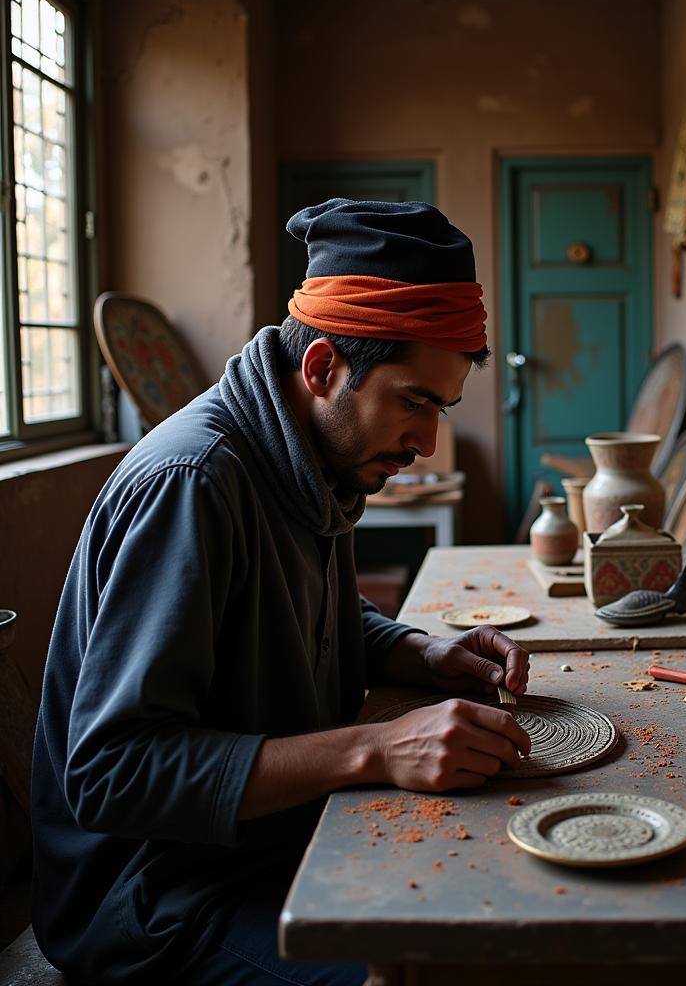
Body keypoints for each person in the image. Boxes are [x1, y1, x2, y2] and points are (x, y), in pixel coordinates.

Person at [31, 199, 532, 986]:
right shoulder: (194, 483)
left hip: (264, 841)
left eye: (441, 408)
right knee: (432, 972)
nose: (426, 444)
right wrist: (374, 746)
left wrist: (419, 651)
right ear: (323, 367)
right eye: (414, 402)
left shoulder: (311, 455)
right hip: (158, 896)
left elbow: (299, 620)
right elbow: (110, 772)